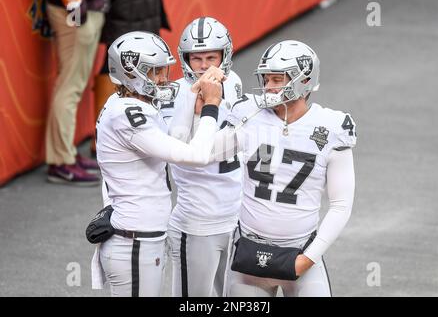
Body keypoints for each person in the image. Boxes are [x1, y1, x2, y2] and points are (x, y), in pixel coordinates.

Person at [210, 40, 357, 297]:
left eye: (277, 79)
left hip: (301, 251)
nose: (268, 87)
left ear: (303, 80)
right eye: (266, 79)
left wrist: (307, 258)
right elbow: (204, 154)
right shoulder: (250, 114)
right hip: (249, 252)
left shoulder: (331, 127)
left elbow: (341, 204)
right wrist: (207, 106)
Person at [93, 31, 225, 297]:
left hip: (139, 236)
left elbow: (173, 138)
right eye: (155, 72)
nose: (163, 78)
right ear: (131, 73)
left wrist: (192, 98)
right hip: (134, 240)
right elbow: (195, 156)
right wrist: (211, 106)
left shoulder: (125, 103)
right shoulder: (127, 115)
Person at [165, 17, 243, 297]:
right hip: (198, 219)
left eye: (211, 57)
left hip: (237, 215)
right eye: (196, 58)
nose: (203, 65)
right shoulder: (173, 94)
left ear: (225, 55)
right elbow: (186, 153)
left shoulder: (233, 81)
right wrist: (201, 110)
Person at [91, 0, 170, 156]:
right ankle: (104, 135)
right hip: (124, 13)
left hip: (144, 10)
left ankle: (142, 128)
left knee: (147, 64)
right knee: (116, 66)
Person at [45, 0, 107, 185]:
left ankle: (66, 154)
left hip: (83, 10)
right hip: (76, 11)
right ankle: (62, 160)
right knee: (70, 87)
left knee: (73, 86)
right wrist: (76, 10)